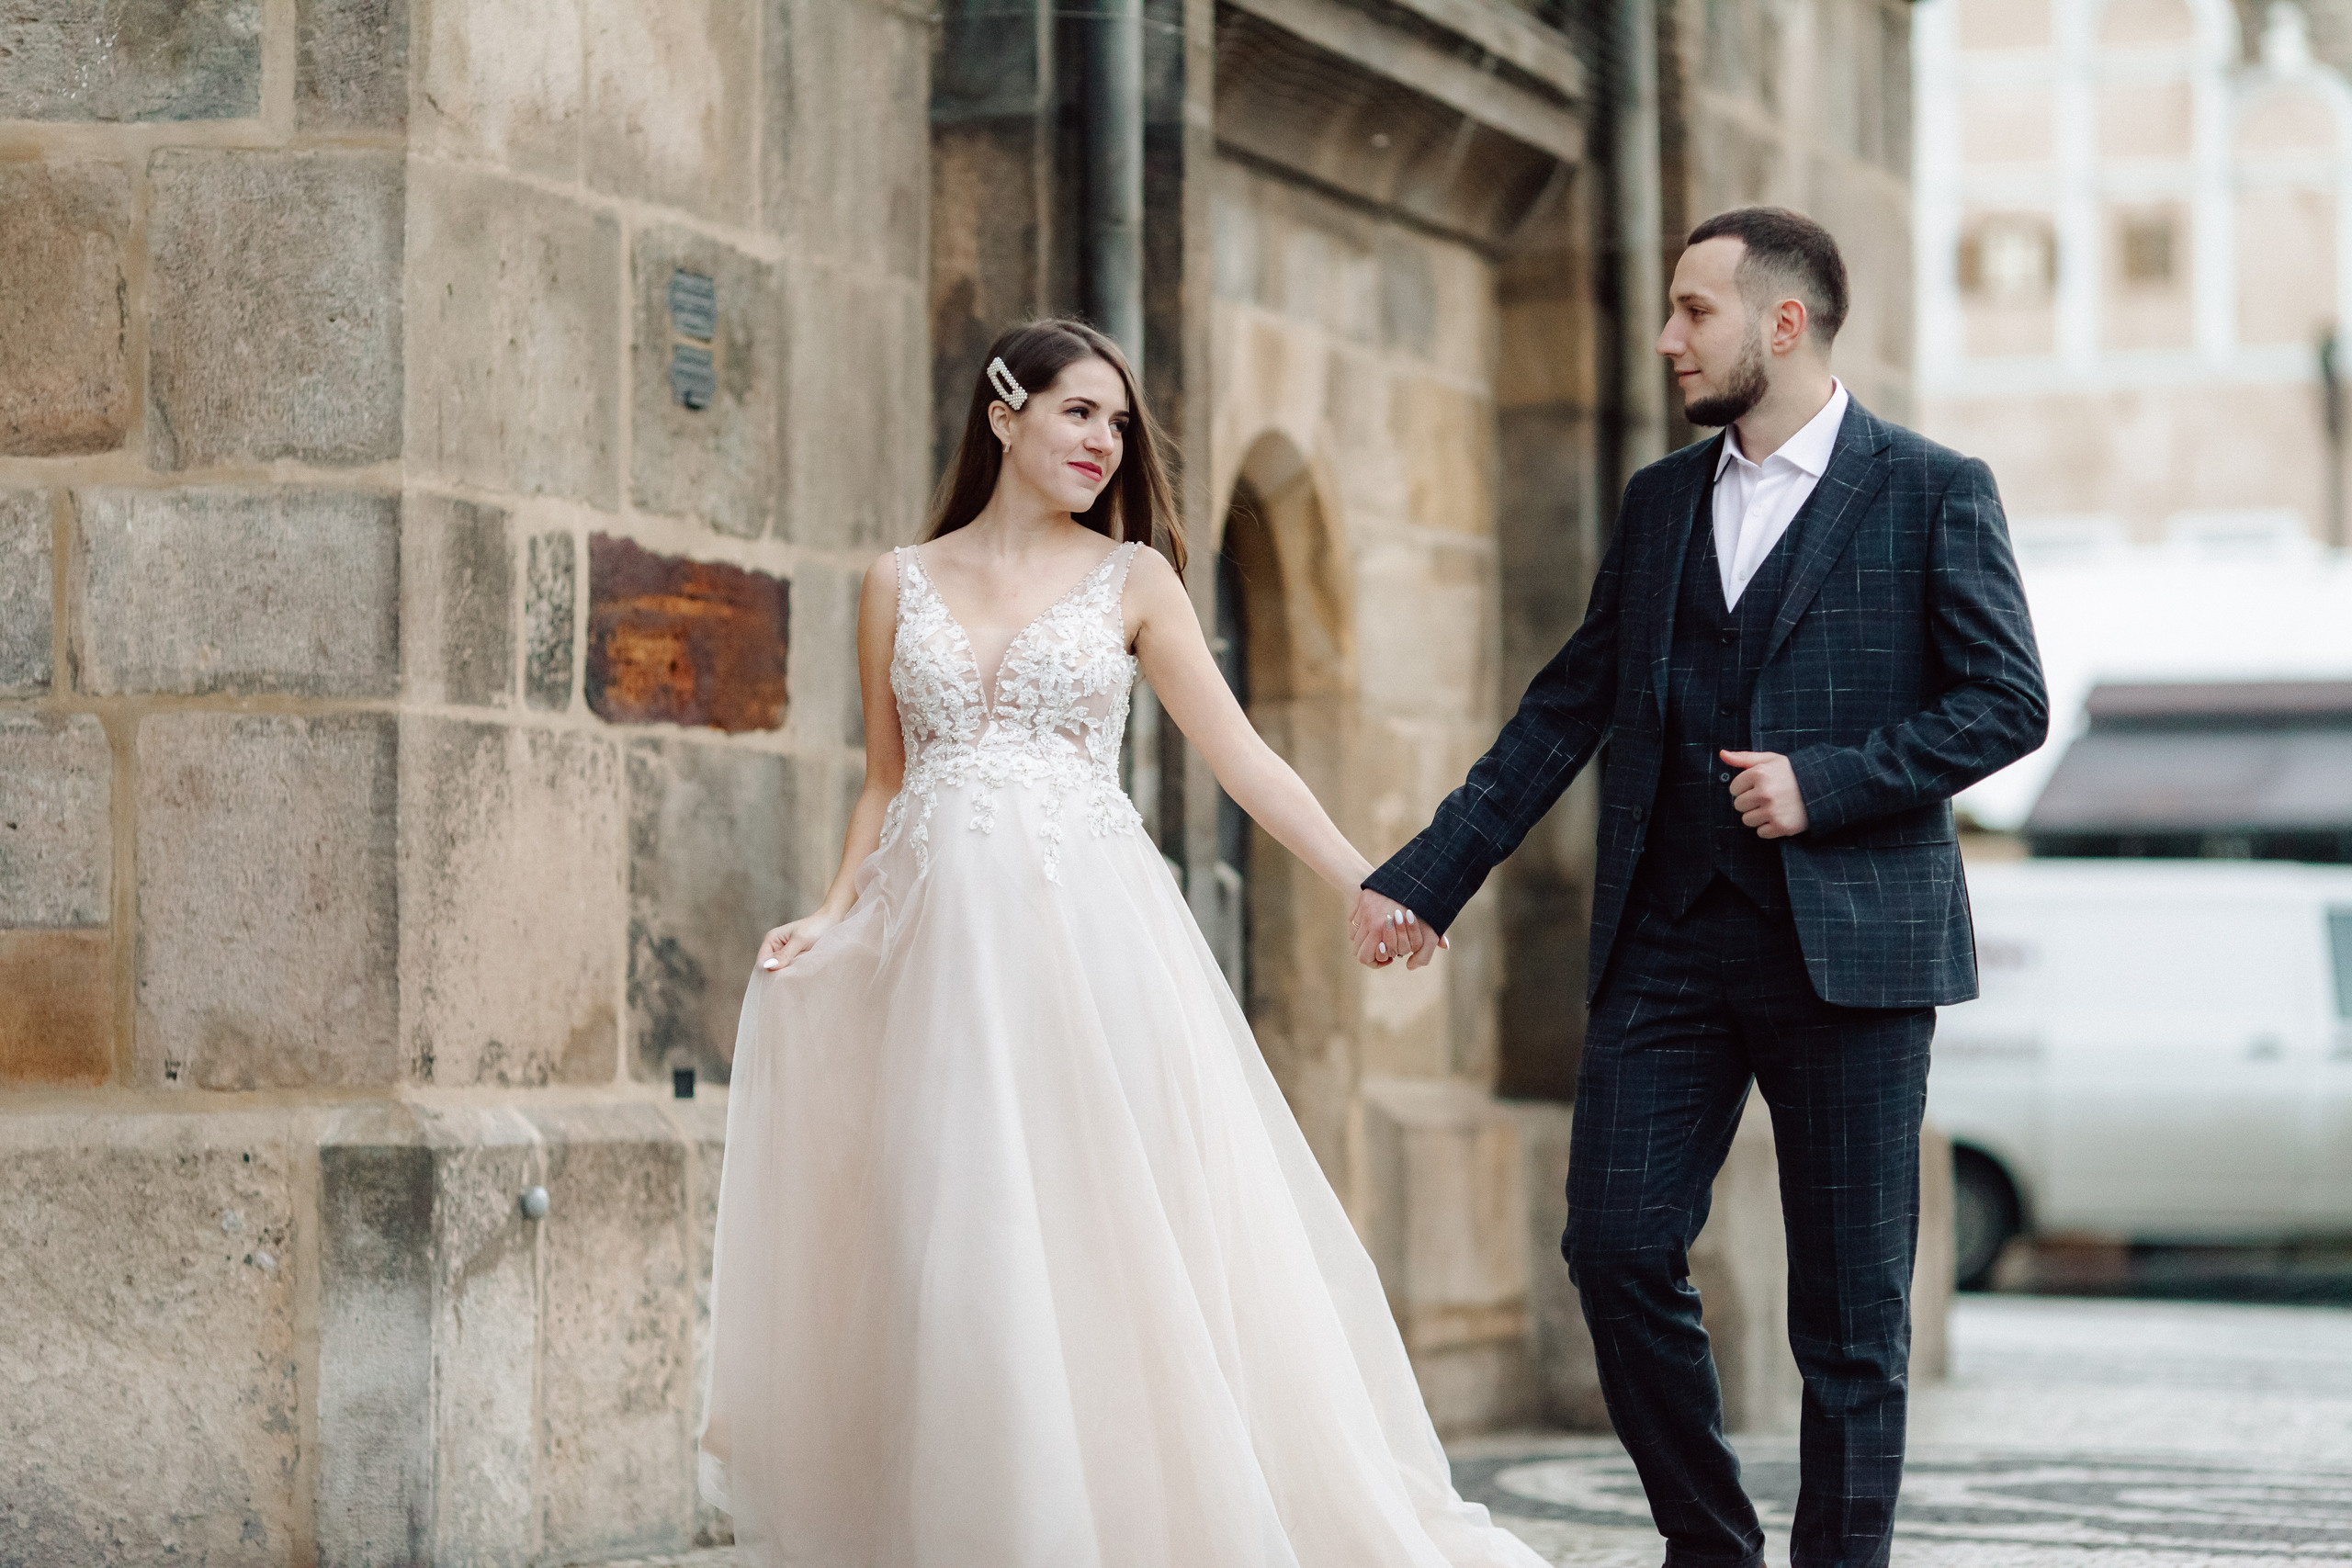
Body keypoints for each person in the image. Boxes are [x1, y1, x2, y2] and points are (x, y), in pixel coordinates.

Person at [697, 318, 1544, 1568]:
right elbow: (885, 777)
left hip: (1090, 949)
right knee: (958, 1239)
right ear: (1004, 416)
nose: (1105, 441)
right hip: (937, 959)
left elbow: (1242, 754)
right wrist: (830, 912)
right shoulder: (896, 581)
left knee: (1104, 1233)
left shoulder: (1134, 579)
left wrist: (1372, 880)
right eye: (1079, 412)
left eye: (1118, 422)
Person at [1353, 209, 2049, 1568]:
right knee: (1614, 1249)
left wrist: (1827, 782)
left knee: (1850, 1318)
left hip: (1853, 951)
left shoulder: (1930, 489)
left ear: (1783, 325)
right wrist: (1429, 879)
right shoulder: (1662, 501)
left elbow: (2007, 701)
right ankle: (1712, 1546)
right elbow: (1569, 706)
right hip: (1669, 942)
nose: (1669, 337)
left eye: (1695, 311)